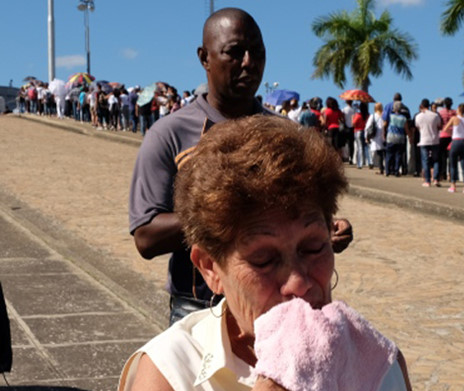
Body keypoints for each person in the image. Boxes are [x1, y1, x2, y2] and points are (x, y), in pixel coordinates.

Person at [117, 115, 422, 391]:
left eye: (313, 248)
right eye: (263, 259)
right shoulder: (170, 368)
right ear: (210, 268)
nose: (298, 283)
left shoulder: (381, 364)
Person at [128, 8, 353, 326]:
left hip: (279, 304)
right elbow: (146, 237)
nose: (249, 62)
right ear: (205, 58)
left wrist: (323, 229)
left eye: (257, 52)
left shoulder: (284, 134)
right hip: (198, 309)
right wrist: (225, 212)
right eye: (234, 52)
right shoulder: (169, 134)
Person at [442, 103, 464, 193]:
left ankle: (453, 185)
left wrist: (452, 133)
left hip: (456, 141)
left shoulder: (454, 118)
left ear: (458, 110)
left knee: (453, 164)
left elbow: (445, 129)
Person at [414, 98, 441, 187]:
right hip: (434, 140)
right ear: (429, 106)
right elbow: (439, 126)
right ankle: (436, 179)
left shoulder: (418, 116)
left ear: (421, 106)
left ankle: (427, 180)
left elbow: (418, 127)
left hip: (424, 140)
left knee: (425, 161)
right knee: (436, 160)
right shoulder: (435, 116)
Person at [366, 102, 386, 175]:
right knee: (382, 152)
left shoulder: (373, 116)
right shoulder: (383, 115)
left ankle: (381, 169)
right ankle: (384, 168)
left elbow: (367, 127)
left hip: (375, 136)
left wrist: (367, 136)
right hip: (383, 135)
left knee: (379, 153)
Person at [352, 103, 370, 168]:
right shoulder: (368, 115)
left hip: (358, 131)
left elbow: (353, 124)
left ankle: (360, 163)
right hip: (365, 131)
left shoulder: (357, 115)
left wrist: (353, 118)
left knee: (359, 147)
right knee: (366, 147)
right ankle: (369, 162)